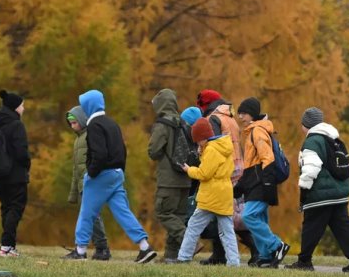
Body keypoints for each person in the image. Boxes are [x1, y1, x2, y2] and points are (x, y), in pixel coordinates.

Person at [62, 89, 157, 264]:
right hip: (117, 174)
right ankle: (145, 247)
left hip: (101, 175)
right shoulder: (112, 123)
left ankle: (80, 250)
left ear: (89, 106)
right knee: (123, 212)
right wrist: (120, 170)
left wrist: (91, 173)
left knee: (86, 212)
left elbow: (99, 154)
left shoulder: (94, 126)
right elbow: (122, 150)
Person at [287, 107, 349, 273]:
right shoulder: (333, 138)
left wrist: (304, 189)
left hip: (321, 194)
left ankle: (304, 261)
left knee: (311, 226)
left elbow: (311, 168)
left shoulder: (312, 141)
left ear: (306, 124)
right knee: (342, 227)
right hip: (339, 192)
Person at [176, 115, 240, 266]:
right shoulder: (222, 147)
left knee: (193, 226)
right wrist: (201, 153)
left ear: (203, 137)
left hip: (211, 196)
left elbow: (204, 174)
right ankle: (234, 262)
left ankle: (183, 257)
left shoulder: (211, 149)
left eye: (198, 139)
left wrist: (189, 169)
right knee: (227, 232)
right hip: (224, 193)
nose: (197, 142)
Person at [236, 97, 289, 268]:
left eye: (243, 113)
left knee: (248, 216)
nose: (240, 117)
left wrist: (267, 183)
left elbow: (267, 158)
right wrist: (241, 186)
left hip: (261, 182)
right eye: (239, 113)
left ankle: (276, 245)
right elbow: (251, 163)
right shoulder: (252, 131)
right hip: (254, 182)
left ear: (251, 114)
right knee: (259, 218)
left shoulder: (257, 131)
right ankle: (266, 255)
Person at [147, 89, 192, 262]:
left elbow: (153, 151)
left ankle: (190, 242)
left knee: (163, 212)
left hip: (169, 179)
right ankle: (171, 256)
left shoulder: (163, 124)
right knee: (178, 217)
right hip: (185, 177)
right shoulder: (184, 122)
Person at [65, 107, 110, 260]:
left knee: (92, 216)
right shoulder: (77, 140)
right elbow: (75, 170)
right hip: (82, 185)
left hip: (91, 183)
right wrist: (73, 193)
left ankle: (101, 247)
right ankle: (94, 247)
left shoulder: (89, 137)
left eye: (74, 122)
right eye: (70, 123)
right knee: (89, 216)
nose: (72, 126)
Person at [0, 90, 30, 258]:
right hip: (16, 175)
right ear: (15, 107)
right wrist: (27, 164)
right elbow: (21, 152)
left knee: (6, 208)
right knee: (16, 207)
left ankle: (8, 246)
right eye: (22, 105)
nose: (23, 109)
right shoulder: (17, 125)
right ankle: (7, 246)